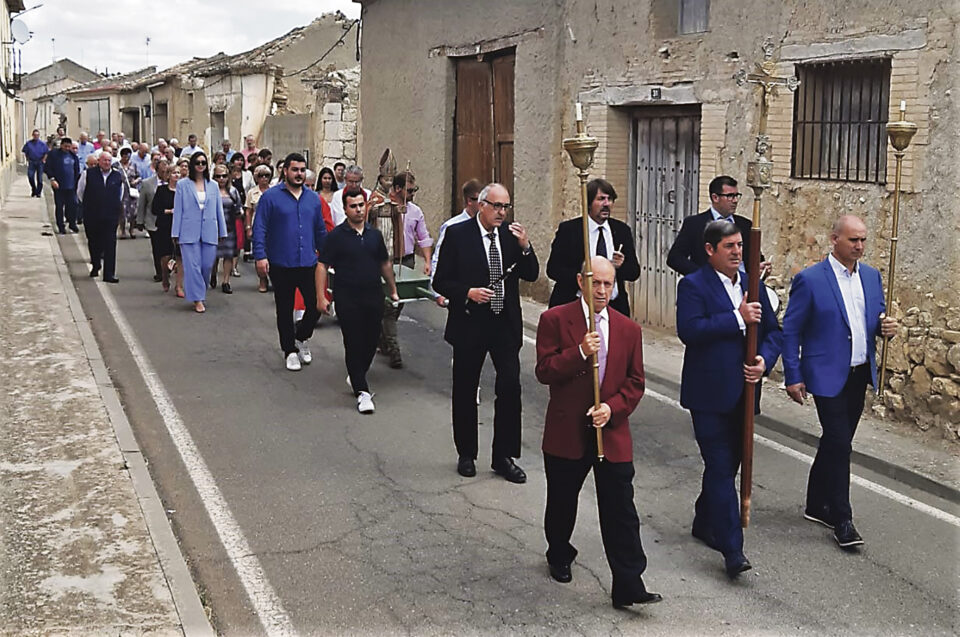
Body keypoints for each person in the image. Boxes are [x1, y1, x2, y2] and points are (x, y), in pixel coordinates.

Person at [536, 256, 663, 608]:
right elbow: (545, 370)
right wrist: (579, 352)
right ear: (581, 281)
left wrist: (612, 408)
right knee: (562, 500)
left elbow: (636, 383)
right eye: (597, 283)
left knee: (621, 508)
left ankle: (628, 582)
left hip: (611, 430)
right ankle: (559, 551)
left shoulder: (628, 329)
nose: (603, 291)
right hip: (567, 431)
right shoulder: (555, 319)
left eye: (609, 283)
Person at [782, 215, 897, 550]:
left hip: (859, 372)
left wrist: (883, 328)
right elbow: (792, 330)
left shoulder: (873, 277)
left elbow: (870, 322)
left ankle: (816, 504)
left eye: (863, 240)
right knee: (840, 444)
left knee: (837, 441)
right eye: (853, 240)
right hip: (825, 373)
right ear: (834, 239)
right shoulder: (811, 279)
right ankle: (842, 518)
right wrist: (793, 375)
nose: (859, 246)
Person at [676, 220, 782, 579]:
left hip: (745, 394)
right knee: (721, 467)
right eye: (730, 247)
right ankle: (732, 549)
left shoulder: (755, 287)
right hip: (708, 394)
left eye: (740, 246)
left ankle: (704, 519)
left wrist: (764, 362)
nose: (738, 252)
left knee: (728, 466)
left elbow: (774, 334)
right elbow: (690, 331)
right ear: (710, 250)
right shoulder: (693, 286)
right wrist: (736, 319)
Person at [433, 183, 539, 483]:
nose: (501, 213)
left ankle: (504, 456)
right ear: (481, 205)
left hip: (504, 324)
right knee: (466, 388)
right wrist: (467, 291)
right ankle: (466, 453)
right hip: (470, 323)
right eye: (496, 206)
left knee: (510, 387)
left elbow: (531, 273)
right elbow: (440, 281)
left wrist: (526, 246)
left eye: (506, 207)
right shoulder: (458, 236)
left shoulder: (510, 237)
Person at [317, 188, 399, 413]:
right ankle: (362, 391)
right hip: (347, 297)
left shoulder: (374, 235)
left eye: (361, 205)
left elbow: (384, 264)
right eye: (353, 206)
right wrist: (321, 296)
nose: (359, 210)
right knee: (353, 341)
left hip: (373, 295)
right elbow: (322, 265)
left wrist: (392, 290)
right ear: (345, 209)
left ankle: (356, 374)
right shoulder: (336, 237)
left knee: (371, 341)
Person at [252, 153, 328, 371]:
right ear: (285, 171)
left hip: (308, 262)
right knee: (284, 309)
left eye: (302, 170)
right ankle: (289, 350)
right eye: (295, 170)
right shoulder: (271, 197)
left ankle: (301, 337)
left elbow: (320, 230)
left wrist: (328, 255)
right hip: (281, 262)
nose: (299, 174)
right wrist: (260, 255)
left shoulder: (313, 199)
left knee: (315, 306)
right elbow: (260, 228)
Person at [546, 178, 640, 316]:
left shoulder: (621, 231)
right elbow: (553, 269)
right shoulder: (570, 230)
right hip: (575, 305)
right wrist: (585, 279)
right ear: (588, 203)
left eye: (610, 199)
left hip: (612, 308)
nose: (606, 204)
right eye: (601, 199)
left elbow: (634, 272)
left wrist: (621, 265)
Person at [373, 170, 434, 369]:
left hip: (406, 261)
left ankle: (383, 338)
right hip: (385, 261)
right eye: (409, 190)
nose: (413, 193)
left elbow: (423, 237)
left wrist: (427, 261)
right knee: (390, 306)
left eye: (414, 189)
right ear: (397, 189)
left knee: (398, 304)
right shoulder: (382, 206)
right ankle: (394, 348)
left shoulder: (415, 211)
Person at [667, 175, 763, 276]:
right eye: (730, 196)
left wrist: (760, 267)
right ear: (715, 197)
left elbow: (756, 258)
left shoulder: (745, 225)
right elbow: (675, 258)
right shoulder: (694, 224)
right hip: (708, 287)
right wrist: (702, 276)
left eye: (736, 195)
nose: (735, 200)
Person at [172, 151, 227, 313]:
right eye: (198, 163)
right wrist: (175, 232)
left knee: (206, 265)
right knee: (193, 266)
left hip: (209, 230)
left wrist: (222, 231)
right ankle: (198, 299)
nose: (201, 166)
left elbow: (219, 210)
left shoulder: (213, 186)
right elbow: (179, 210)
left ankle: (199, 291)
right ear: (192, 165)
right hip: (188, 231)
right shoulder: (183, 185)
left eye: (203, 163)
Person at [78, 151, 125, 282]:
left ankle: (109, 274)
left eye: (109, 161)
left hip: (110, 216)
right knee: (94, 242)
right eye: (104, 160)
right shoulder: (88, 174)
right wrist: (90, 205)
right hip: (92, 215)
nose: (107, 163)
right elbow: (80, 192)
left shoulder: (117, 176)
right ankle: (96, 264)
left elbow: (120, 194)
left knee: (110, 244)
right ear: (99, 161)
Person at [430, 179, 483, 283]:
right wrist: (438, 291)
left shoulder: (486, 226)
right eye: (480, 201)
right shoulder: (452, 226)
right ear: (469, 201)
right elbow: (438, 259)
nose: (483, 205)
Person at [211, 164, 242, 294]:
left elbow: (238, 207)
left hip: (229, 226)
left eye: (224, 176)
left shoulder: (233, 191)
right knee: (213, 255)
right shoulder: (210, 190)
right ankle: (212, 274)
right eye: (218, 176)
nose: (221, 179)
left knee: (228, 254)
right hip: (213, 227)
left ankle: (226, 281)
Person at [137, 159, 168, 282]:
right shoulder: (147, 183)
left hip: (168, 221)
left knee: (168, 248)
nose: (164, 174)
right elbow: (142, 204)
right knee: (157, 247)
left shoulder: (175, 183)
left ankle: (167, 268)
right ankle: (159, 272)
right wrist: (140, 221)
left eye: (166, 171)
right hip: (153, 221)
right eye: (162, 171)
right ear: (156, 171)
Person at [44, 137, 81, 234]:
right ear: (61, 145)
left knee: (73, 205)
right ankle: (61, 226)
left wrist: (76, 182)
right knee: (60, 206)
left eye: (69, 147)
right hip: (59, 186)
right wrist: (52, 179)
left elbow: (77, 170)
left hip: (71, 186)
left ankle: (72, 223)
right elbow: (47, 167)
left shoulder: (73, 156)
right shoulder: (54, 154)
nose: (67, 148)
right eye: (65, 146)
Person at [245, 164, 273, 291]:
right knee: (259, 253)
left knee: (273, 253)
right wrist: (248, 227)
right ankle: (262, 279)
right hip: (258, 225)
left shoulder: (274, 191)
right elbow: (248, 211)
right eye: (261, 176)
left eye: (267, 175)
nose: (264, 178)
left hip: (273, 226)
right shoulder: (252, 192)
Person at [152, 166, 178, 293]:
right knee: (165, 254)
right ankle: (165, 276)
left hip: (179, 225)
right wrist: (169, 211)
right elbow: (155, 209)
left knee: (180, 255)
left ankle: (180, 283)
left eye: (178, 173)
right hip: (164, 225)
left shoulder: (183, 190)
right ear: (168, 176)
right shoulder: (162, 190)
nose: (176, 175)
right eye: (174, 173)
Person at [118, 147, 141, 239]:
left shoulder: (134, 165)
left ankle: (132, 229)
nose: (126, 158)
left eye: (128, 156)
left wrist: (136, 181)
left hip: (132, 191)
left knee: (133, 212)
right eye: (125, 156)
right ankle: (122, 230)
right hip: (122, 191)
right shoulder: (116, 165)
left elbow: (139, 177)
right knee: (122, 212)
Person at [22, 129, 48, 198]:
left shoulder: (42, 144)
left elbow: (46, 152)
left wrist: (43, 160)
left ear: (39, 136)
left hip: (40, 162)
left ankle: (38, 192)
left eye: (37, 135)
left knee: (39, 178)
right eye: (35, 135)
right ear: (32, 135)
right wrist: (27, 159)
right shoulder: (28, 144)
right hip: (32, 162)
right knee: (30, 176)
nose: (36, 136)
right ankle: (34, 189)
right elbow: (25, 151)